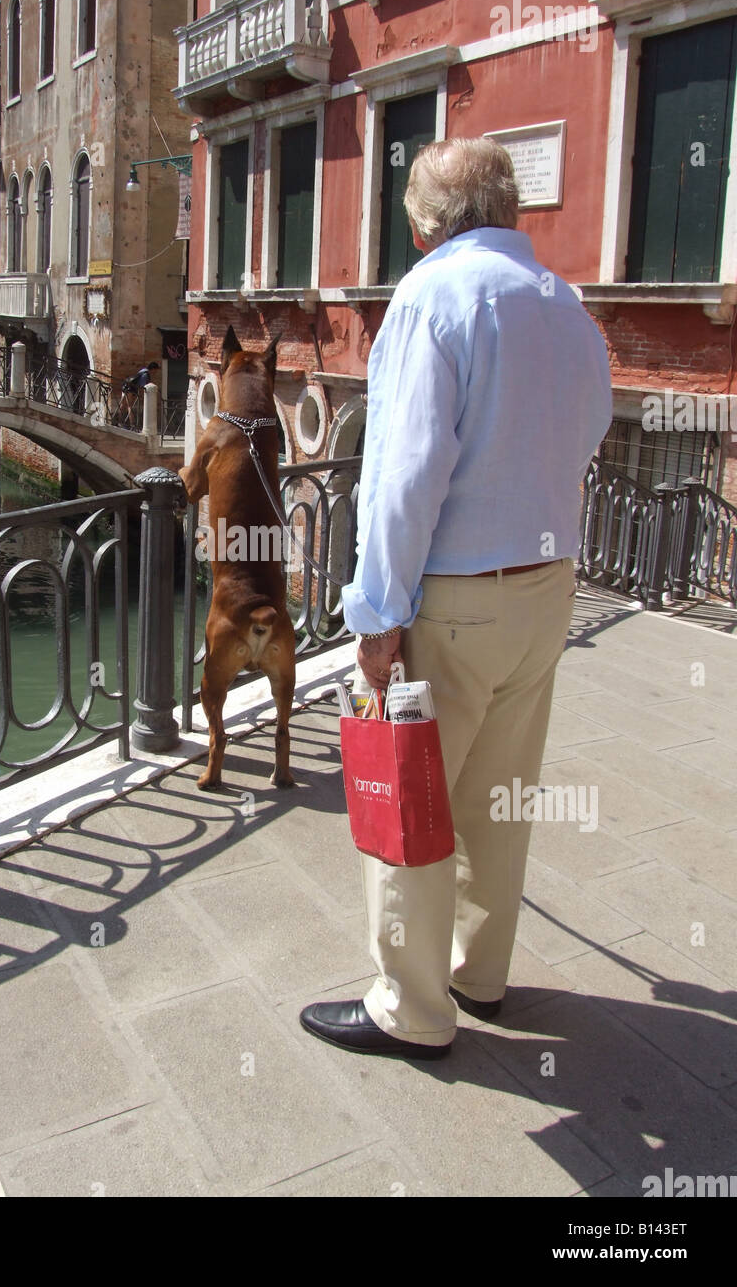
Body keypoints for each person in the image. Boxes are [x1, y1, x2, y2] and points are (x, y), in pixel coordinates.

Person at [300, 137, 612, 1061]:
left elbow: (403, 476)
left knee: (415, 795)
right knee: (500, 794)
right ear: (508, 211)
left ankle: (412, 1007)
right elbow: (589, 429)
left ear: (428, 222)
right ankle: (481, 972)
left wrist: (377, 616)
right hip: (548, 591)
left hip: (457, 596)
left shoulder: (433, 296)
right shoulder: (565, 303)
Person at [119, 359, 159, 428]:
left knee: (123, 405)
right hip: (130, 389)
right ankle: (132, 424)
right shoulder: (146, 374)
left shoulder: (143, 370)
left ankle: (119, 422)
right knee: (129, 406)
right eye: (156, 370)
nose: (156, 372)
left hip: (126, 386)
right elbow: (142, 386)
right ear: (153, 369)